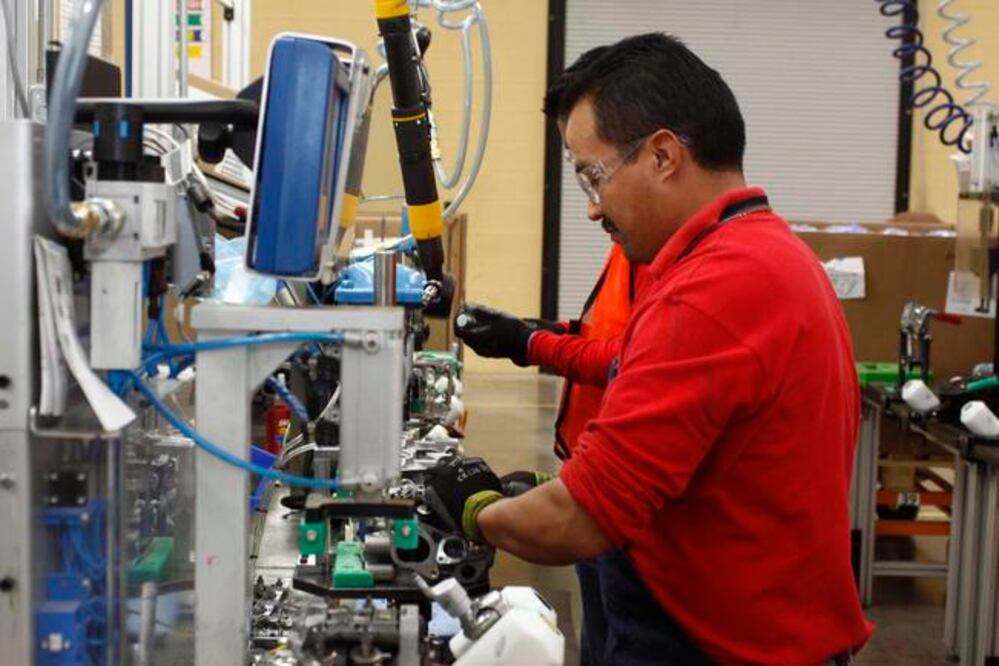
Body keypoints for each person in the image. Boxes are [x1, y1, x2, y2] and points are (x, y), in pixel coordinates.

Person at [431, 32, 873, 665]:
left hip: (718, 646)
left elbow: (576, 521)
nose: (593, 211)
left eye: (593, 177)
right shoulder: (769, 254)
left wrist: (474, 510)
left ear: (663, 155)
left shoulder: (710, 292)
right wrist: (548, 475)